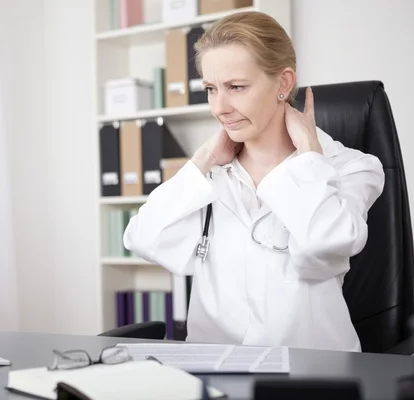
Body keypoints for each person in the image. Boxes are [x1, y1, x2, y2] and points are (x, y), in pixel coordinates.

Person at [123, 11, 385, 352]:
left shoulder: (351, 168)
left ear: (283, 83)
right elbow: (143, 238)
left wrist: (308, 155)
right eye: (211, 89)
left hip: (311, 372)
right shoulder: (210, 176)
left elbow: (325, 243)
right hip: (214, 367)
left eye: (236, 87)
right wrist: (203, 159)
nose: (219, 108)